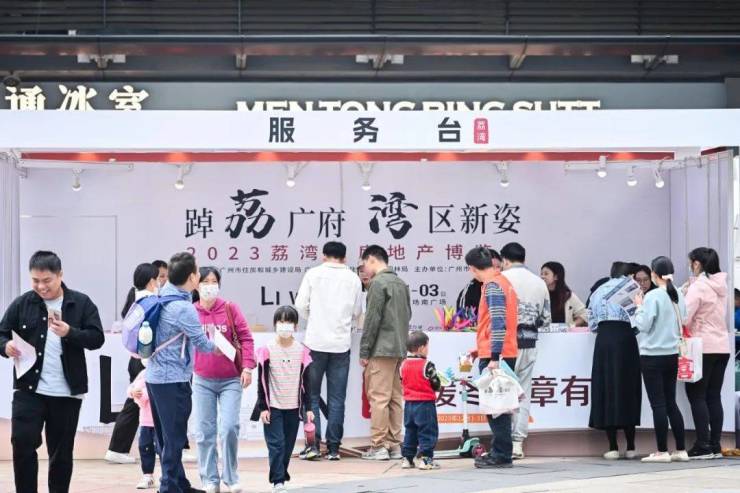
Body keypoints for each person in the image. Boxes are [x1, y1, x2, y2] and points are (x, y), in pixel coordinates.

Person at [0, 251, 105, 493]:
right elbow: (1, 333)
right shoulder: (22, 303)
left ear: (60, 275)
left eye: (46, 280)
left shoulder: (81, 303)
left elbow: (97, 338)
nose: (41, 286)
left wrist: (70, 332)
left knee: (61, 453)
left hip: (66, 392)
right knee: (22, 442)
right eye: (35, 280)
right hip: (29, 389)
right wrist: (6, 346)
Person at [146, 252, 217, 493]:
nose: (199, 275)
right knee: (174, 437)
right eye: (197, 272)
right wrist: (220, 347)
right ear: (191, 277)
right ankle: (168, 486)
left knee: (166, 436)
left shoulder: (161, 296)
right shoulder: (183, 308)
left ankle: (179, 483)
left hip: (155, 377)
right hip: (172, 379)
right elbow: (203, 344)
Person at [295, 241, 363, 460]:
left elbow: (300, 305)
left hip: (315, 342)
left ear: (324, 256)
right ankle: (334, 448)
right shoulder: (353, 278)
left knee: (311, 397)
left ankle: (313, 445)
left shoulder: (313, 274)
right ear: (344, 258)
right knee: (337, 399)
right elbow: (357, 311)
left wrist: (313, 319)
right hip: (341, 345)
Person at [193, 267, 256, 493]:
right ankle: (210, 479)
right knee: (205, 431)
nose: (210, 286)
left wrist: (247, 367)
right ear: (196, 285)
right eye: (205, 281)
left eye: (214, 281)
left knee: (229, 427)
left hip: (231, 379)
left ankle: (231, 477)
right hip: (202, 380)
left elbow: (246, 338)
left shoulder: (229, 308)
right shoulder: (191, 311)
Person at [465, 247, 518, 469]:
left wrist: (493, 356)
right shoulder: (503, 282)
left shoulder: (493, 286)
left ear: (472, 268)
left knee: (496, 408)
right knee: (500, 406)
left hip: (497, 355)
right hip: (502, 351)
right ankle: (501, 451)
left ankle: (501, 454)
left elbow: (498, 323)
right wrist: (481, 350)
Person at [251, 306, 313, 493]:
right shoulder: (266, 350)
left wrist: (309, 408)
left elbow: (307, 383)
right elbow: (261, 381)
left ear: (295, 326)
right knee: (276, 445)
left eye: (289, 322)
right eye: (281, 321)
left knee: (287, 446)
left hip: (293, 407)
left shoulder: (302, 351)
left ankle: (281, 474)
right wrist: (263, 407)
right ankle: (278, 481)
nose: (285, 325)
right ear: (275, 324)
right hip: (273, 407)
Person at [633, 256, 689, 463]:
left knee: (658, 404)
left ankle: (662, 451)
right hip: (672, 354)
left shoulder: (653, 296)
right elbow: (684, 319)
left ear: (654, 274)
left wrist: (639, 306)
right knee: (671, 402)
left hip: (651, 356)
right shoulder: (678, 294)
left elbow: (644, 325)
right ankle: (681, 449)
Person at [359, 245, 412, 461]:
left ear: (372, 259)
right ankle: (395, 445)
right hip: (399, 348)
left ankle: (379, 446)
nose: (365, 269)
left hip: (381, 349)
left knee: (379, 398)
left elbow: (372, 320)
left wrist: (364, 350)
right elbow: (408, 315)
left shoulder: (378, 283)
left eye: (365, 264)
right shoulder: (401, 283)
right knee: (395, 399)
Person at [105, 263, 160, 465]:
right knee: (138, 404)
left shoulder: (135, 300)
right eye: (158, 279)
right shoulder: (151, 302)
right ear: (152, 281)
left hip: (135, 359)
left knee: (138, 403)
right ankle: (118, 448)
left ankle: (119, 448)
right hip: (146, 360)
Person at [501, 242, 551, 460]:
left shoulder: (501, 279)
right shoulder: (539, 283)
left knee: (502, 392)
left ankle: (501, 442)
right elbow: (546, 319)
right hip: (529, 342)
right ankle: (517, 443)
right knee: (523, 392)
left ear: (505, 260)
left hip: (505, 344)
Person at [588, 261, 642, 460]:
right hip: (625, 339)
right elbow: (640, 320)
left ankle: (612, 446)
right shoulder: (632, 288)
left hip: (603, 340)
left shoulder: (597, 291)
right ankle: (631, 446)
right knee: (628, 388)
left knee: (606, 387)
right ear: (629, 275)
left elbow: (592, 324)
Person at [683, 247, 730, 459]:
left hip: (702, 346)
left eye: (690, 262)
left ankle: (702, 445)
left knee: (697, 395)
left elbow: (685, 317)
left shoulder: (699, 286)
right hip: (722, 346)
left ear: (697, 264)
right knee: (713, 396)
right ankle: (715, 445)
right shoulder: (721, 285)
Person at [399, 331, 441, 470]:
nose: (428, 349)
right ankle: (426, 460)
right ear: (421, 348)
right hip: (425, 404)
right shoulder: (427, 365)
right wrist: (439, 384)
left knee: (410, 431)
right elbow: (435, 383)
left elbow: (402, 381)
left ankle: (407, 459)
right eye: (427, 346)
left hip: (409, 404)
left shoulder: (403, 364)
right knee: (427, 432)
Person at [128, 360, 159, 489]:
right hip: (145, 421)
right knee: (145, 447)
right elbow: (131, 387)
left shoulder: (163, 373)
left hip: (160, 421)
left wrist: (143, 394)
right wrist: (133, 392)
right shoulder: (143, 373)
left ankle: (168, 476)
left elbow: (154, 392)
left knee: (163, 449)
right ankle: (147, 476)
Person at [540, 261, 588, 327]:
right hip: (544, 332)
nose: (542, 276)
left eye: (546, 274)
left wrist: (572, 325)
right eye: (541, 274)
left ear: (556, 277)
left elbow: (584, 315)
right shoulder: (540, 294)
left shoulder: (568, 296)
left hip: (564, 333)